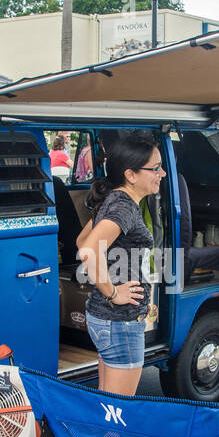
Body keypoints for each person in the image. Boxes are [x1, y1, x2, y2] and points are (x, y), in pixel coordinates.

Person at [76, 131, 161, 395]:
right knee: (119, 409)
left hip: (106, 319)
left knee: (107, 401)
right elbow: (88, 250)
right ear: (131, 174)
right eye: (156, 168)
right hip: (119, 322)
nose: (163, 174)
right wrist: (113, 292)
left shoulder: (114, 199)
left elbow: (81, 241)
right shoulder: (123, 207)